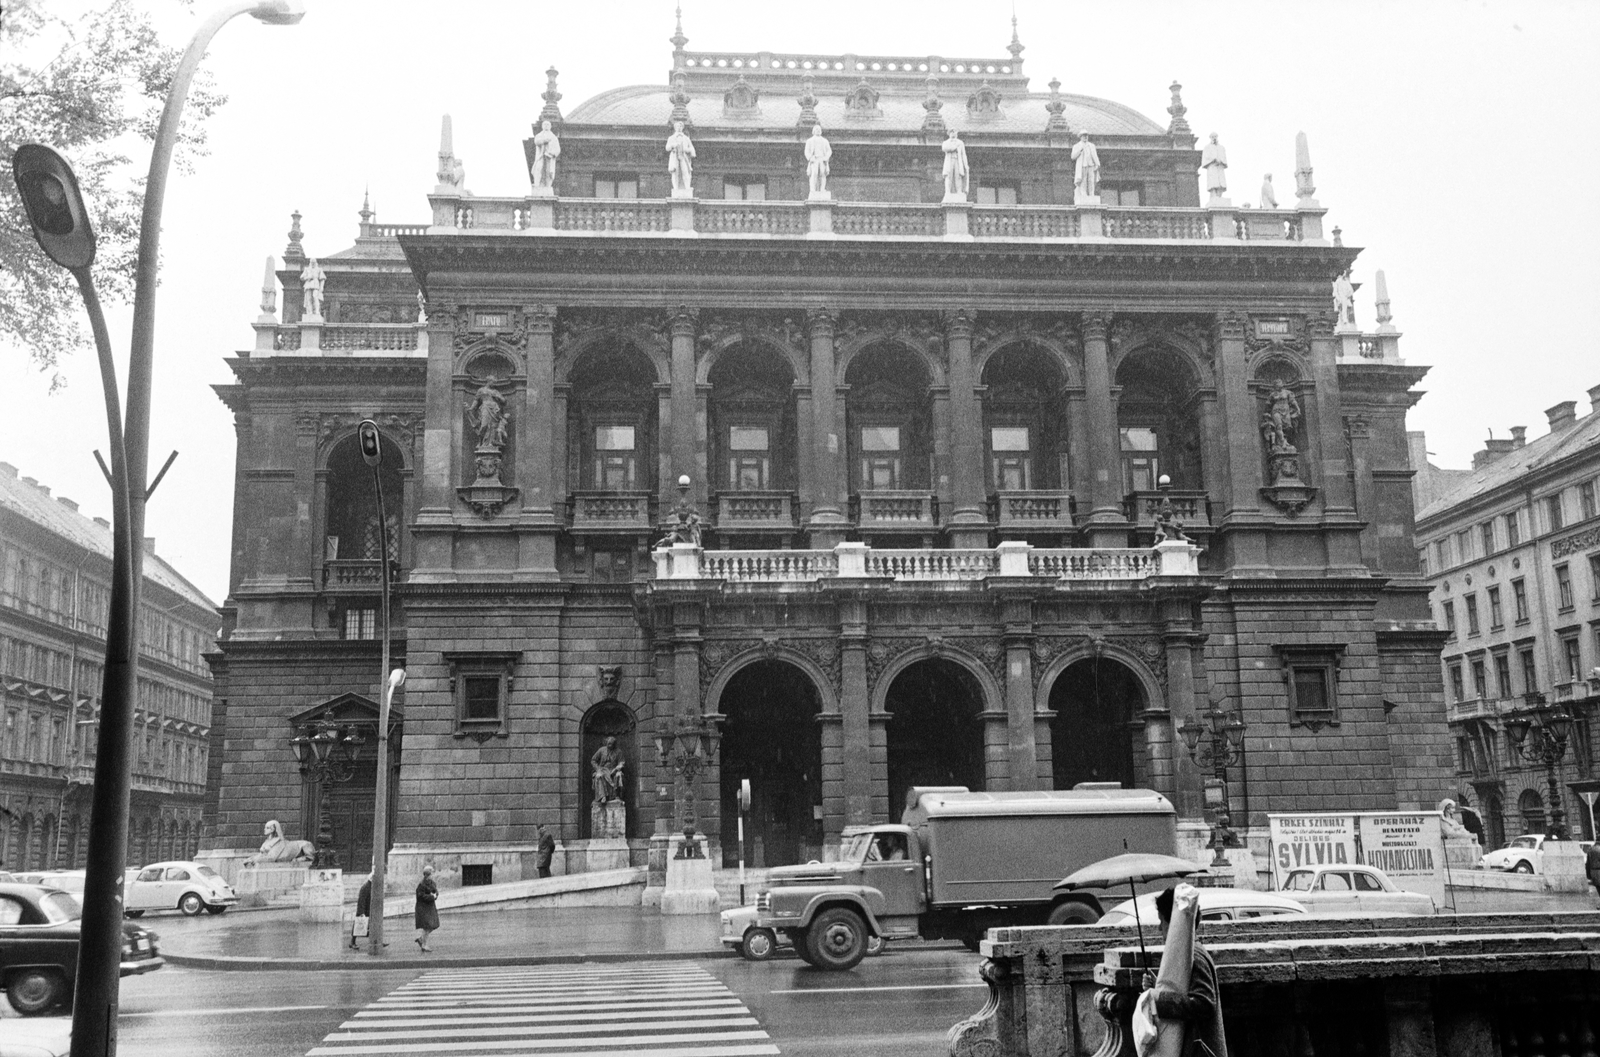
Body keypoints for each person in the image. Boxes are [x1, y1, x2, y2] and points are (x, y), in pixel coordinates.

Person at [1142, 885, 1228, 1057]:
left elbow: (1204, 1004)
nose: (1160, 928)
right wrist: (1157, 988)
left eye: (1162, 921)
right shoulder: (1187, 951)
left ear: (1174, 922)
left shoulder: (1194, 955)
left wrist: (1158, 998)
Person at [591, 735, 625, 804]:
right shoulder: (601, 750)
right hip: (602, 769)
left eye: (611, 744)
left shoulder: (618, 752)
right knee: (599, 776)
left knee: (619, 775)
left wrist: (616, 769)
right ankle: (603, 796)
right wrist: (598, 769)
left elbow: (622, 762)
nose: (609, 745)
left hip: (613, 770)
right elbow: (593, 760)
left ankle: (617, 795)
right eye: (608, 744)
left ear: (614, 744)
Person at [666, 120, 696, 195]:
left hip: (684, 158)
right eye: (677, 126)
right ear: (675, 127)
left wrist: (687, 150)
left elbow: (692, 149)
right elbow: (667, 148)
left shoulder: (686, 138)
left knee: (685, 172)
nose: (679, 128)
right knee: (675, 172)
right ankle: (676, 188)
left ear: (682, 128)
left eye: (680, 126)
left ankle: (687, 187)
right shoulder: (671, 138)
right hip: (675, 157)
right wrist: (673, 145)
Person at [414, 864, 439, 952]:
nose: (433, 875)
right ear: (427, 874)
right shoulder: (421, 884)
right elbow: (421, 896)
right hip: (423, 908)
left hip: (430, 907)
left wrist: (435, 894)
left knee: (433, 925)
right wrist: (432, 897)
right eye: (432, 873)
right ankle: (424, 945)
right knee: (427, 926)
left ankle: (421, 939)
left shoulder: (432, 883)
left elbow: (435, 891)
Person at [531, 119, 560, 189]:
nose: (546, 126)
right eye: (545, 124)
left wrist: (553, 154)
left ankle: (547, 185)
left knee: (549, 171)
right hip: (541, 156)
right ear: (542, 126)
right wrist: (544, 141)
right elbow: (536, 142)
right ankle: (537, 184)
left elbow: (558, 149)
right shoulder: (539, 135)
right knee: (539, 168)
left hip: (549, 156)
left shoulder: (554, 137)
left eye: (548, 125)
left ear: (550, 127)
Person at [804, 124, 832, 196]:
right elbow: (806, 151)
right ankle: (813, 189)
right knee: (814, 174)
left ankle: (822, 189)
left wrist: (826, 157)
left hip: (822, 159)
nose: (818, 131)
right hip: (814, 159)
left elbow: (829, 151)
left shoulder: (825, 141)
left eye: (819, 130)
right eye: (816, 129)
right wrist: (810, 158)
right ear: (813, 131)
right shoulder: (810, 141)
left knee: (822, 174)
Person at [1071, 132, 1100, 199]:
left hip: (1091, 165)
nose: (1085, 137)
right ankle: (1083, 194)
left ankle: (1091, 193)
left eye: (1086, 135)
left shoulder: (1092, 145)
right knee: (1083, 180)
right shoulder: (1077, 146)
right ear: (1080, 137)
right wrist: (1079, 151)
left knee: (1091, 180)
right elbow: (1073, 156)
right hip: (1083, 165)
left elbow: (1095, 155)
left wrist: (1097, 163)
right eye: (1084, 136)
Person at [941, 130, 969, 198]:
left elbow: (963, 154)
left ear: (956, 133)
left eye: (954, 132)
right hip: (949, 161)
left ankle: (959, 191)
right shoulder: (946, 142)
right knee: (949, 175)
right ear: (949, 134)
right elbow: (944, 148)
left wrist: (965, 164)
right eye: (951, 132)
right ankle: (948, 192)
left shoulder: (960, 143)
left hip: (958, 161)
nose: (953, 133)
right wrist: (953, 148)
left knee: (958, 176)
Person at [351, 874, 373, 950]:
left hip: (368, 910)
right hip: (364, 910)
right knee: (357, 927)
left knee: (372, 926)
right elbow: (362, 900)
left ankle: (376, 940)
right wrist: (361, 912)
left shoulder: (370, 886)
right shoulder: (366, 887)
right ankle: (352, 942)